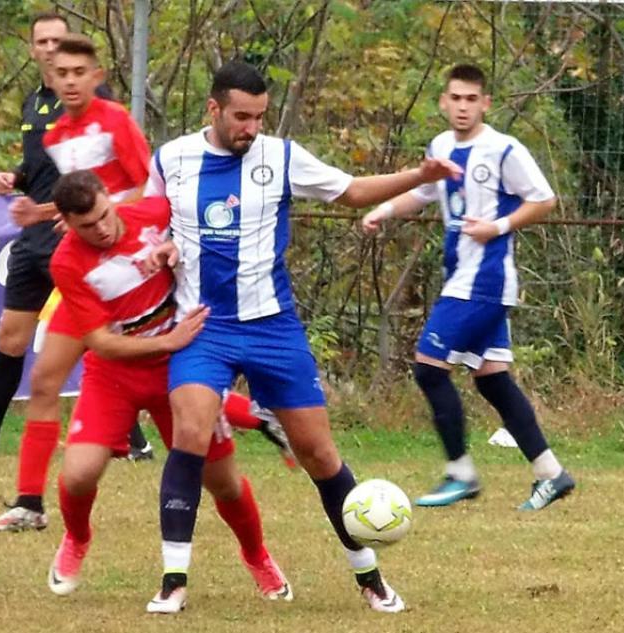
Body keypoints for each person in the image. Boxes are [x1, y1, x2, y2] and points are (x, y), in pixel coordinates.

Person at [143, 61, 462, 614]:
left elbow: (354, 191)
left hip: (273, 327)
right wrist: (163, 244)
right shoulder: (171, 158)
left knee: (317, 452)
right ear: (213, 110)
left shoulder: (282, 157)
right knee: (190, 431)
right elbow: (152, 218)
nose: (251, 128)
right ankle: (173, 580)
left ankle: (370, 578)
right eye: (241, 117)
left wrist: (419, 176)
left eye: (260, 117)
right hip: (205, 328)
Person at [43, 170, 292, 601]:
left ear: (110, 198)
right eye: (86, 226)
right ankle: (77, 539)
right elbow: (99, 342)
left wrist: (178, 246)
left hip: (180, 370)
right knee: (79, 475)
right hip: (114, 374)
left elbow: (208, 228)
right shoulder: (66, 263)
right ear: (67, 222)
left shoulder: (156, 213)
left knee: (224, 483)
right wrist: (167, 339)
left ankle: (258, 556)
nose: (101, 229)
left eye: (104, 215)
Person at [0, 13, 154, 459]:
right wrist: (17, 177)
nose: (50, 49)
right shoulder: (34, 103)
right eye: (42, 42)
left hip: (76, 235)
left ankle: (132, 437)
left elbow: (110, 186)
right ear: (32, 49)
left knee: (91, 336)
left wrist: (57, 212)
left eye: (57, 41)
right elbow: (45, 170)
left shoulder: (95, 105)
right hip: (35, 237)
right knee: (11, 335)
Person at [361, 63, 575, 511]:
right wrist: (383, 210)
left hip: (485, 280)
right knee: (492, 381)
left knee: (428, 367)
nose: (462, 107)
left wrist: (497, 226)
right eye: (455, 98)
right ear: (443, 101)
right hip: (462, 276)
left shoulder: (503, 150)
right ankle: (551, 473)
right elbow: (423, 194)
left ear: (485, 103)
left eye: (471, 99)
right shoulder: (440, 147)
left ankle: (460, 471)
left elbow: (544, 199)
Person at [0, 33, 155, 532]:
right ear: (50, 78)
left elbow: (145, 187)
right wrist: (48, 211)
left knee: (176, 394)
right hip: (89, 275)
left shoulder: (116, 121)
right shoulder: (55, 139)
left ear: (96, 76)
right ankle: (29, 504)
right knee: (45, 380)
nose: (70, 81)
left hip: (137, 272)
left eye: (80, 72)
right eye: (62, 73)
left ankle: (251, 419)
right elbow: (86, 200)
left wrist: (100, 220)